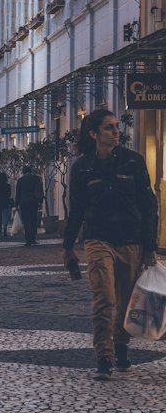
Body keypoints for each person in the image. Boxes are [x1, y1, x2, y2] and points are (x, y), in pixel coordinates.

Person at [63, 107, 158, 379]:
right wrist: (68, 246)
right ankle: (104, 356)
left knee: (126, 301)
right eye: (109, 128)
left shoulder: (133, 161)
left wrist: (150, 246)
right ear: (94, 134)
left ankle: (121, 345)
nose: (117, 132)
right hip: (98, 238)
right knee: (103, 297)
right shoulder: (83, 167)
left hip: (131, 239)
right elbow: (77, 208)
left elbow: (148, 204)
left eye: (117, 126)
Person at [15, 163, 44, 247]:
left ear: (23, 172)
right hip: (33, 201)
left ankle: (28, 240)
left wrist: (16, 204)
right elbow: (40, 190)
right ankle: (33, 238)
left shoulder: (20, 180)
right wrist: (41, 201)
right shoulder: (36, 178)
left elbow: (18, 193)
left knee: (26, 221)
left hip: (23, 202)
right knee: (33, 220)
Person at [0, 170, 13, 240]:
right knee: (5, 216)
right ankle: (4, 229)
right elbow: (9, 194)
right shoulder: (7, 185)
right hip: (5, 202)